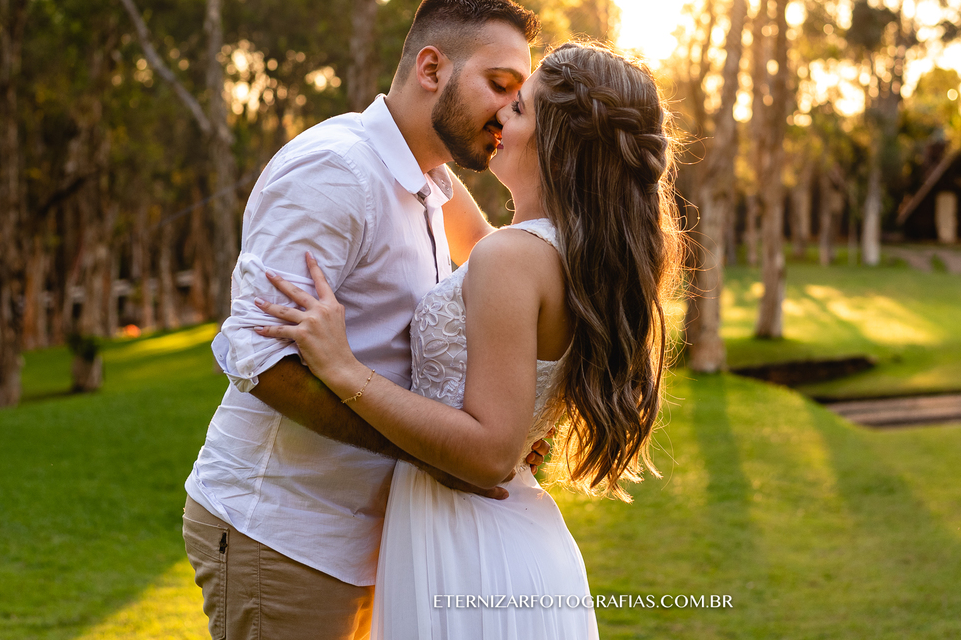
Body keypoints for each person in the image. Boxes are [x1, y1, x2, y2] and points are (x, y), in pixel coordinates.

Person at [254, 42, 683, 639]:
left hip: (470, 547)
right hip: (500, 537)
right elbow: (446, 196)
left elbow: (488, 453)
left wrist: (344, 369)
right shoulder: (552, 250)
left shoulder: (511, 259)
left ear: (556, 146)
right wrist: (421, 121)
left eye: (522, 108)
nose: (502, 115)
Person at [182, 0, 548, 640]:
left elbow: (515, 282)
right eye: (499, 84)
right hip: (285, 530)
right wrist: (433, 453)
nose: (509, 110)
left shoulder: (433, 185)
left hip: (377, 542)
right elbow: (258, 358)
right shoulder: (337, 172)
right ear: (432, 68)